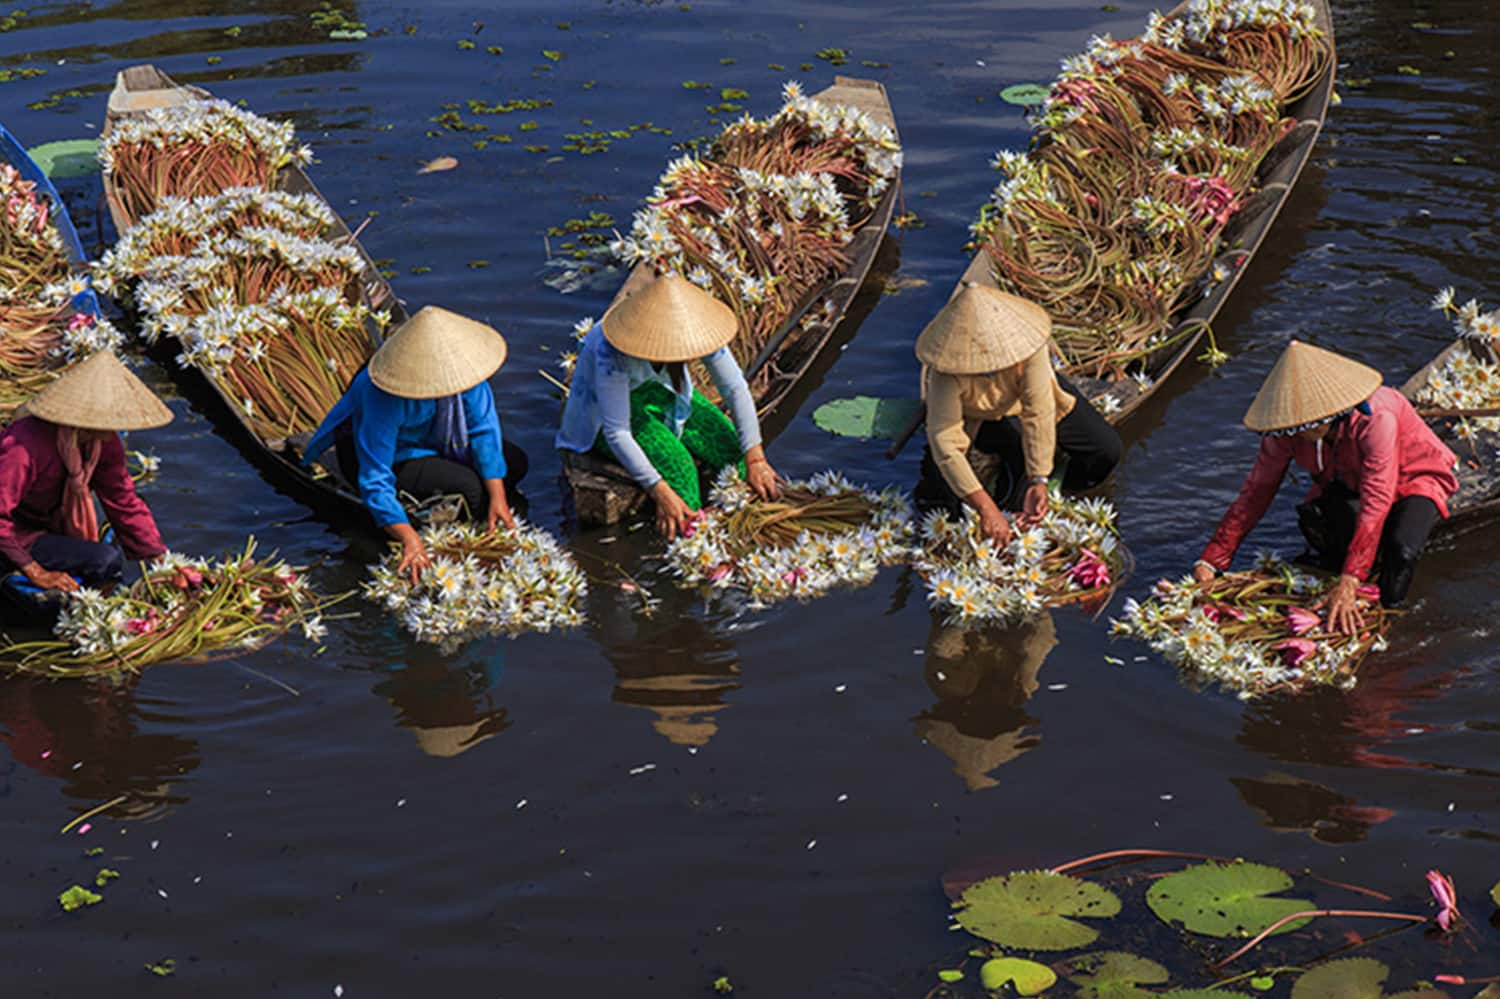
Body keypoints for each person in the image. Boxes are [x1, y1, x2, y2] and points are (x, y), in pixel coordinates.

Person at [1193, 340, 1458, 633]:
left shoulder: (1375, 419)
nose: (1296, 433)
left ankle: (1389, 618)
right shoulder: (1286, 433)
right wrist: (1213, 559)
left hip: (1412, 478)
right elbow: (1256, 491)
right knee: (1323, 532)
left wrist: (1351, 579)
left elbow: (1377, 500)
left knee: (1401, 551)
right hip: (1349, 480)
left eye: (1304, 425)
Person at [303, 306, 528, 583]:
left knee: (515, 464)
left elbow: (484, 431)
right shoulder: (384, 394)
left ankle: (485, 504)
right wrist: (408, 536)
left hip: (437, 441)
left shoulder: (464, 374)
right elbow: (375, 477)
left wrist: (499, 498)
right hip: (391, 454)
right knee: (469, 488)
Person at [556, 274, 781, 538]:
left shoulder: (698, 330)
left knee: (731, 449)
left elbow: (734, 388)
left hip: (663, 391)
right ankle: (690, 535)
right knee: (679, 467)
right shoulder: (611, 350)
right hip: (605, 414)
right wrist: (657, 489)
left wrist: (756, 458)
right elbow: (617, 431)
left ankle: (739, 518)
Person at [915, 281, 1122, 545]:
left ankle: (1061, 488)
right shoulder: (946, 370)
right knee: (993, 483)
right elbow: (946, 444)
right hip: (980, 416)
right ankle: (1008, 500)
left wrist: (1040, 478)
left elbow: (1039, 411)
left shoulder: (1025, 347)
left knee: (1106, 448)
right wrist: (985, 508)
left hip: (1026, 402)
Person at [0, 350, 171, 593]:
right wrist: (35, 572)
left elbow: (122, 500)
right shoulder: (24, 446)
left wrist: (162, 560)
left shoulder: (102, 443)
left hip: (49, 524)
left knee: (106, 559)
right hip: (16, 533)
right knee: (104, 560)